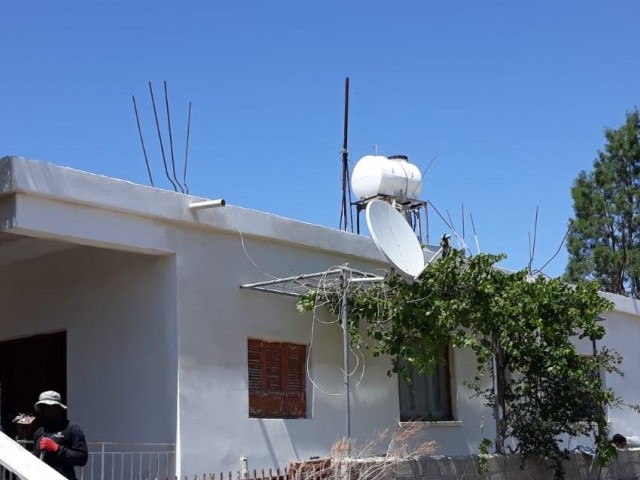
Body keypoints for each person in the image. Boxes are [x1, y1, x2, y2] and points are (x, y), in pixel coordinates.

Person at [32, 391, 88, 480]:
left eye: (50, 408)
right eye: (43, 408)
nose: (46, 412)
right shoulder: (39, 432)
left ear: (58, 408)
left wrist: (57, 448)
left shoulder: (71, 428)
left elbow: (82, 458)